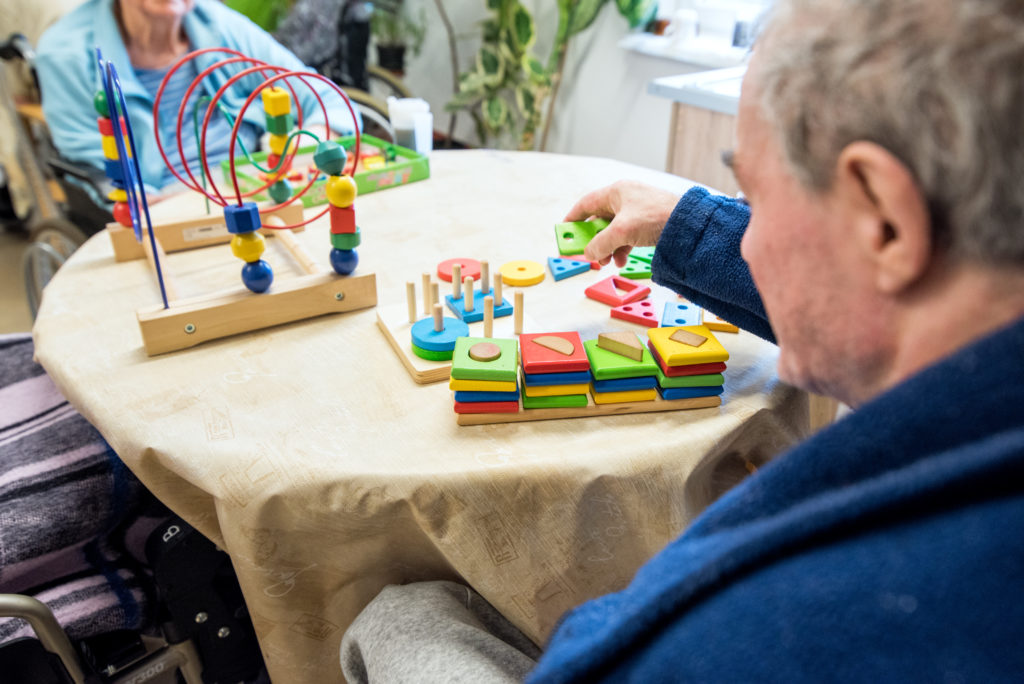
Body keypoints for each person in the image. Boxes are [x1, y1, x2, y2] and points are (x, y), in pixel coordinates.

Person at [339, 0, 1024, 680]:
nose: (749, 239)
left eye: (755, 197)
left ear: (884, 220)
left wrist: (409, 631)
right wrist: (689, 226)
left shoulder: (761, 634)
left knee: (402, 618)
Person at [35, 0, 359, 195]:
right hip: (167, 210)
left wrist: (306, 145)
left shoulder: (216, 22)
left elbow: (325, 97)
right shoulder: (65, 55)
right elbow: (103, 177)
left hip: (260, 187)